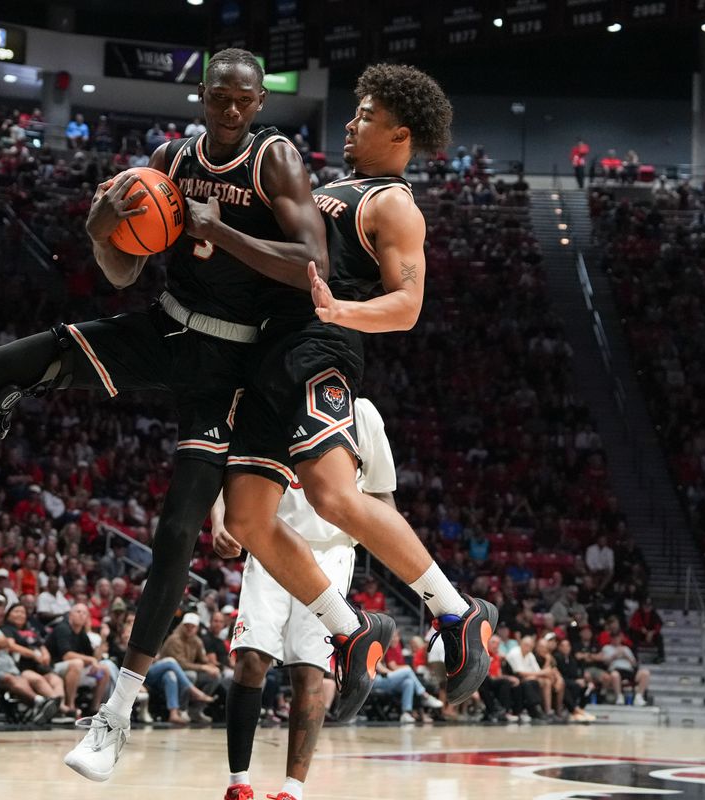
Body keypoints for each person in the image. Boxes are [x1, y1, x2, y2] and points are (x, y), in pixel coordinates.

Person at [0, 48, 337, 779]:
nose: (231, 109)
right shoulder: (169, 160)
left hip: (232, 365)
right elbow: (122, 270)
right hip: (166, 327)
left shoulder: (276, 161)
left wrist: (225, 232)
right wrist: (101, 227)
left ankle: (116, 715)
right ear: (201, 95)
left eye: (244, 99)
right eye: (220, 97)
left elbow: (313, 266)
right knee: (3, 366)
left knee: (176, 533)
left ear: (260, 102)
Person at [219, 62, 496, 729]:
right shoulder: (331, 187)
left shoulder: (393, 204)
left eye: (366, 116)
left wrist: (340, 311)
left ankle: (456, 612)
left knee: (333, 496)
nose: (350, 123)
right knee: (248, 520)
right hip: (268, 351)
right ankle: (350, 630)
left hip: (320, 348)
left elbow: (406, 306)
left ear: (401, 135)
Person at [215, 397, 395, 800]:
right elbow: (225, 465)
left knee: (309, 673)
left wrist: (400, 557)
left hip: (331, 551)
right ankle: (238, 784)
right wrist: (217, 518)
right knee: (250, 660)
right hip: (270, 537)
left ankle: (292, 791)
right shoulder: (266, 398)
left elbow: (382, 496)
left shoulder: (362, 412)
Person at [0, 594, 69, 722]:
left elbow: (7, 643)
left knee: (50, 678)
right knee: (18, 679)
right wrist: (0, 643)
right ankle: (44, 704)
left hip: (11, 667)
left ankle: (53, 709)